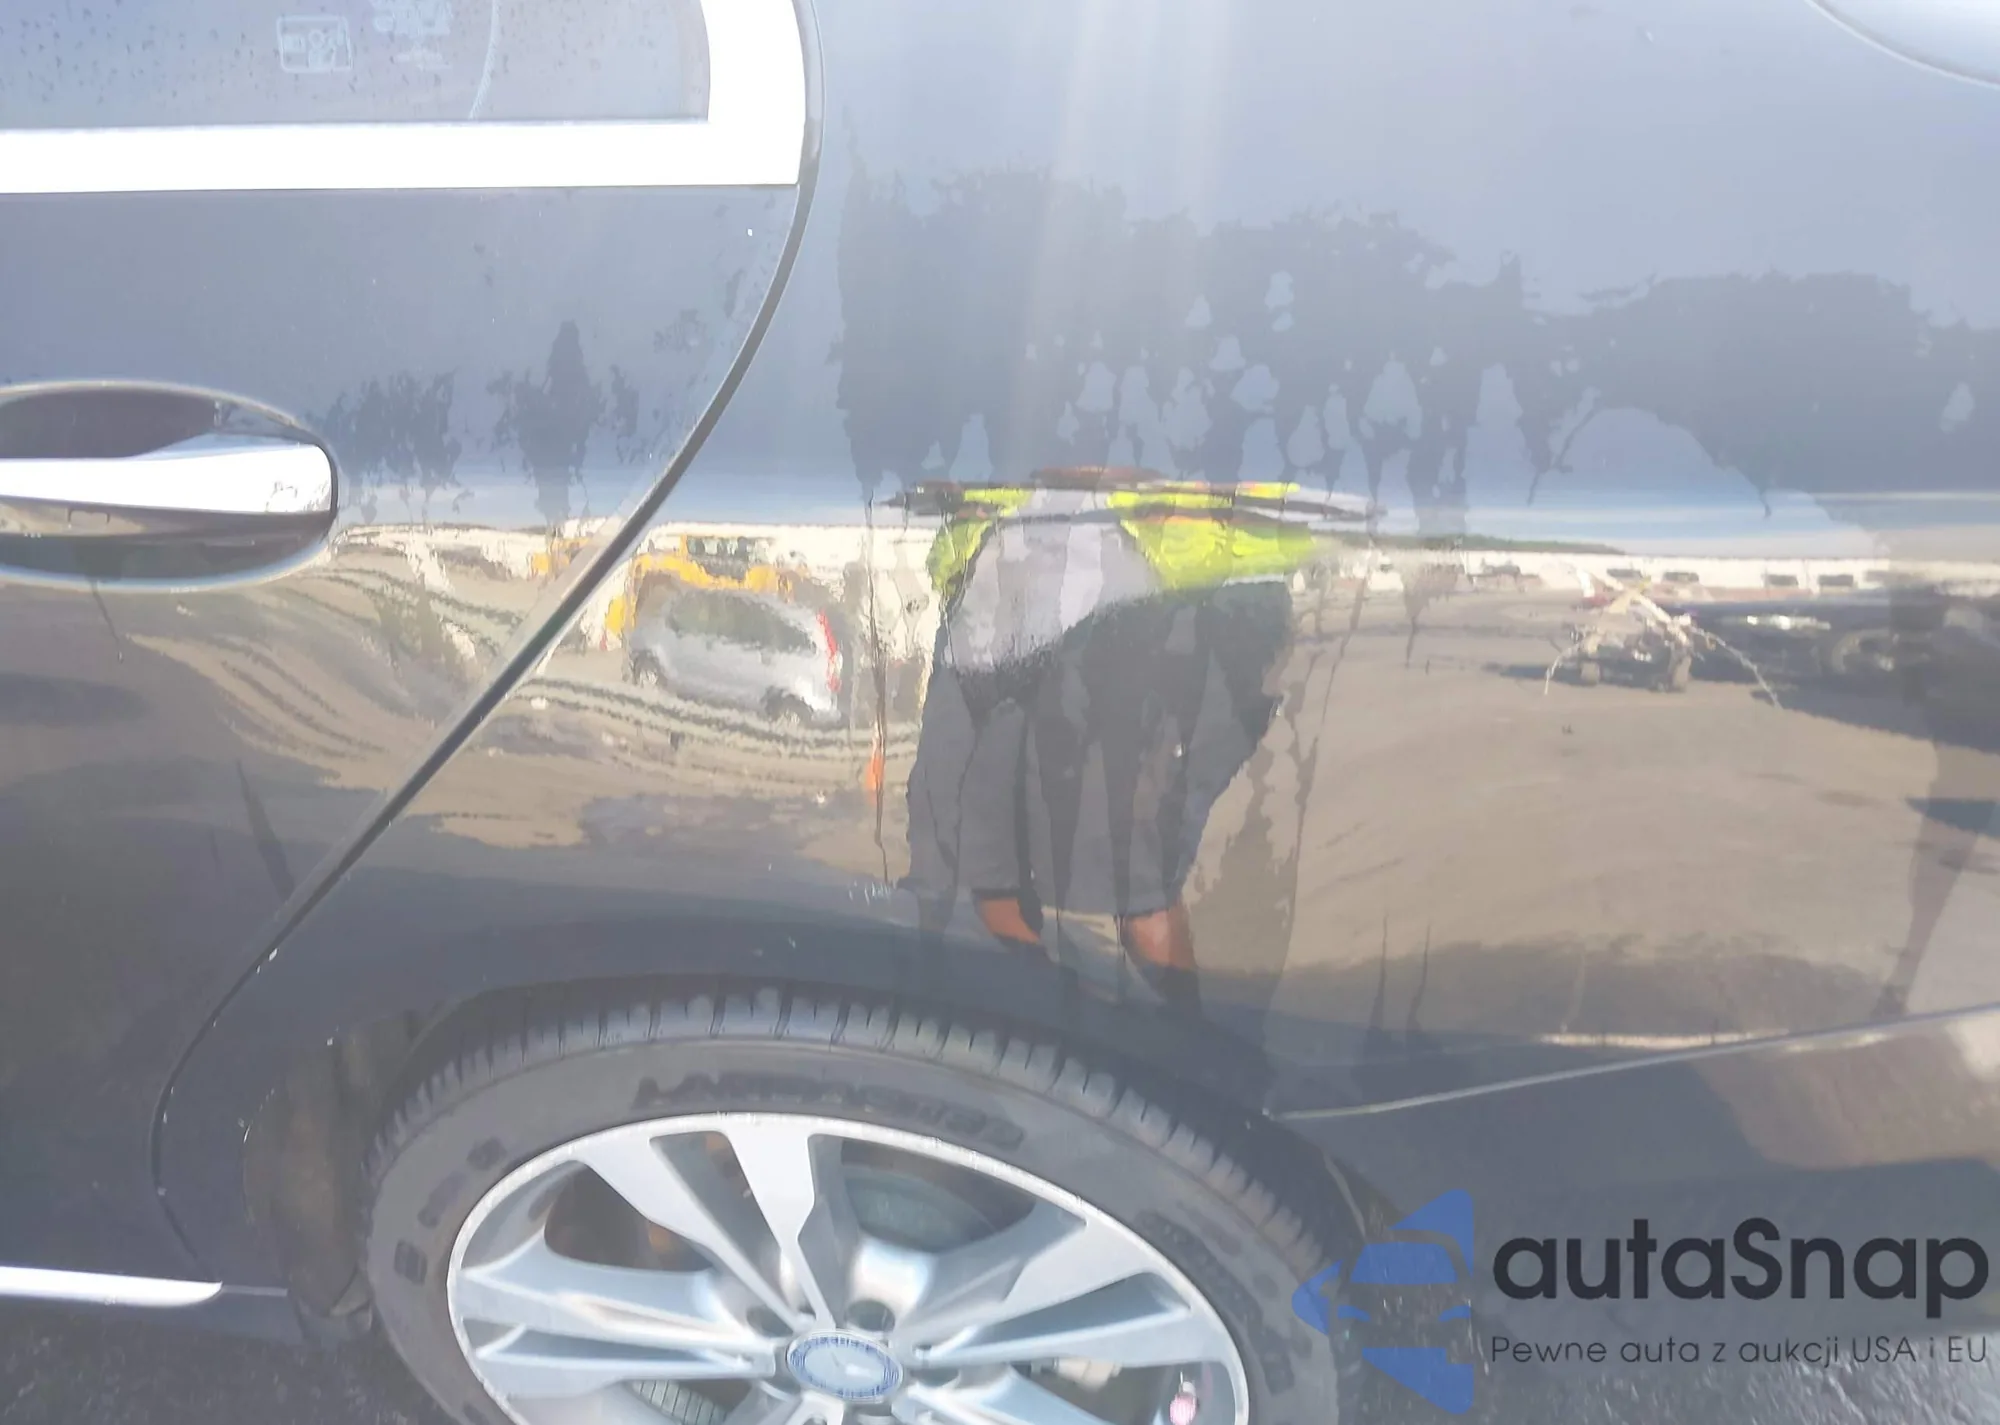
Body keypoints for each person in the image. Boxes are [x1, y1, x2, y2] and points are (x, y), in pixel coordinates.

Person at [902, 466, 1313, 1011]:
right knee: (978, 856)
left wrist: (1162, 483)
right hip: (990, 619)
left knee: (1129, 870)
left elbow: (1272, 480)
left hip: (1142, 609)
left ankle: (1187, 1037)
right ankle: (1049, 1021)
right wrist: (967, 497)